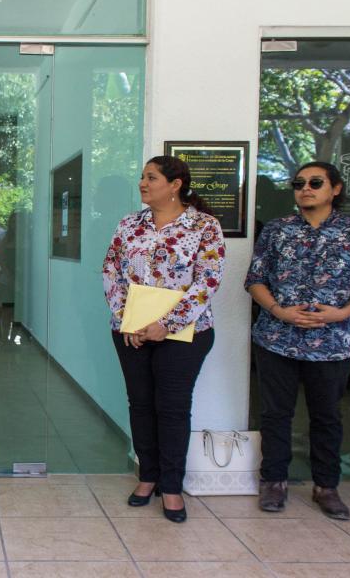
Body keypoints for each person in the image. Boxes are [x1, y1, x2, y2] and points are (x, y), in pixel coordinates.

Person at [245, 161, 350, 520]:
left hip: (333, 340)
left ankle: (327, 486)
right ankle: (274, 481)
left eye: (315, 182)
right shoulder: (277, 230)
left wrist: (340, 314)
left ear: (335, 189)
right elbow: (255, 279)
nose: (305, 188)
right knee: (275, 414)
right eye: (299, 182)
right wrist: (279, 310)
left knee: (326, 416)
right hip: (277, 337)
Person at [102, 155, 225, 523]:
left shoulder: (204, 225)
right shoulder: (129, 225)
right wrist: (129, 319)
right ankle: (148, 476)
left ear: (175, 185)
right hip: (132, 330)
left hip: (186, 333)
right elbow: (111, 269)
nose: (143, 183)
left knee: (171, 408)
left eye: (151, 178)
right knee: (140, 404)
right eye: (142, 177)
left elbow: (208, 280)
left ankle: (171, 486)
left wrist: (166, 324)